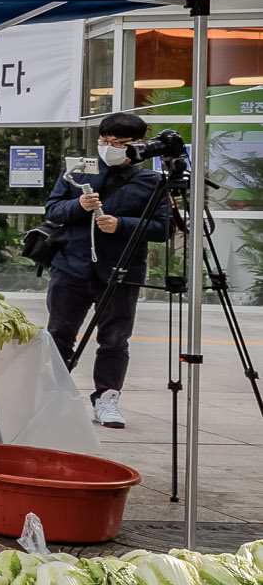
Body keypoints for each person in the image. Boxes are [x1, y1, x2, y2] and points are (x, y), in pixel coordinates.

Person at [44, 112, 177, 430]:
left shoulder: (151, 181)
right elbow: (53, 209)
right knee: (59, 334)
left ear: (137, 146)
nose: (110, 148)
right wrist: (80, 206)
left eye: (119, 143)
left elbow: (165, 228)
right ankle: (51, 394)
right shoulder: (77, 170)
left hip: (122, 270)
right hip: (71, 267)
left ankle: (107, 398)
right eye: (105, 141)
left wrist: (121, 225)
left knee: (115, 339)